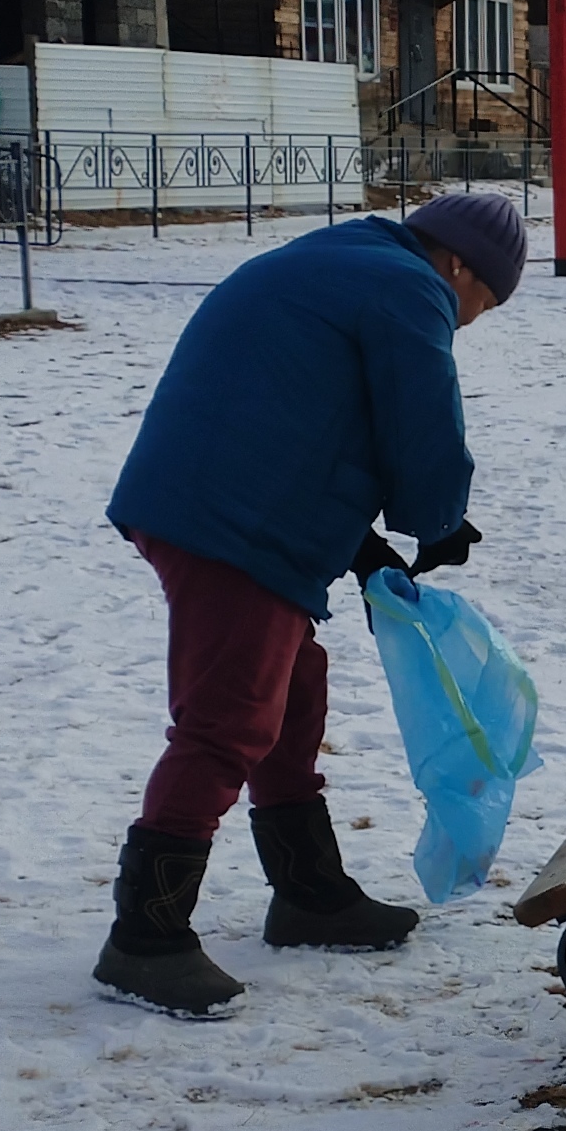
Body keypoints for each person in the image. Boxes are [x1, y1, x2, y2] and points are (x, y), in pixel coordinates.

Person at [96, 191, 525, 1017]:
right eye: (483, 303)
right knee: (227, 719)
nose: (470, 320)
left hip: (212, 494)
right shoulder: (410, 287)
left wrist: (361, 545)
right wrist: (434, 518)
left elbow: (303, 407)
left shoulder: (346, 257)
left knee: (291, 689)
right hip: (226, 516)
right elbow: (422, 416)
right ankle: (144, 938)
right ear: (460, 264)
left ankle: (309, 893)